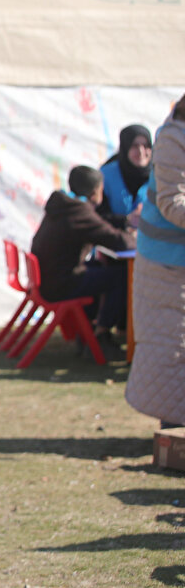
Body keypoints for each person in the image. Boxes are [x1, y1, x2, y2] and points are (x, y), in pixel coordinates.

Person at [126, 95, 185, 428]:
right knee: (172, 351)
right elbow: (172, 202)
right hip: (167, 265)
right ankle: (173, 438)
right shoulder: (173, 137)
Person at [30, 165, 135, 353]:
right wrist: (138, 239)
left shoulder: (63, 205)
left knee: (99, 267)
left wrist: (125, 221)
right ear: (96, 192)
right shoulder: (78, 212)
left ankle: (88, 333)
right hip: (59, 284)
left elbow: (101, 226)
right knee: (121, 276)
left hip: (50, 278)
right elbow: (117, 240)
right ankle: (101, 334)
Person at [98, 124, 152, 226]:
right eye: (135, 146)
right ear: (125, 147)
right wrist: (126, 220)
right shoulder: (105, 175)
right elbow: (96, 215)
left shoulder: (160, 175)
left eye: (146, 146)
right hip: (113, 238)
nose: (141, 152)